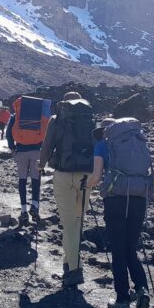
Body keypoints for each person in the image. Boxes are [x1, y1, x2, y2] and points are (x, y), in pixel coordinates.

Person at [87, 118, 153, 308]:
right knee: (130, 247)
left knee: (118, 249)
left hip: (116, 199)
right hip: (139, 197)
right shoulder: (138, 141)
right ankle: (141, 288)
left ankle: (122, 299)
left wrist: (86, 185)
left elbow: (97, 176)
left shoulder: (102, 144)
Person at [38, 92, 95, 288]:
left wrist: (40, 166)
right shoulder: (89, 119)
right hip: (86, 176)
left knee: (69, 223)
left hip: (63, 175)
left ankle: (75, 269)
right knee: (77, 222)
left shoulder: (57, 119)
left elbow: (47, 146)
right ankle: (67, 262)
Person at [6, 96, 51, 225]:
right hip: (37, 151)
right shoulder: (40, 116)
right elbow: (48, 133)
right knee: (36, 180)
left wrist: (12, 148)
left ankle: (23, 211)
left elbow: (8, 133)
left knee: (22, 180)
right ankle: (35, 206)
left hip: (21, 151)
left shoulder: (16, 116)